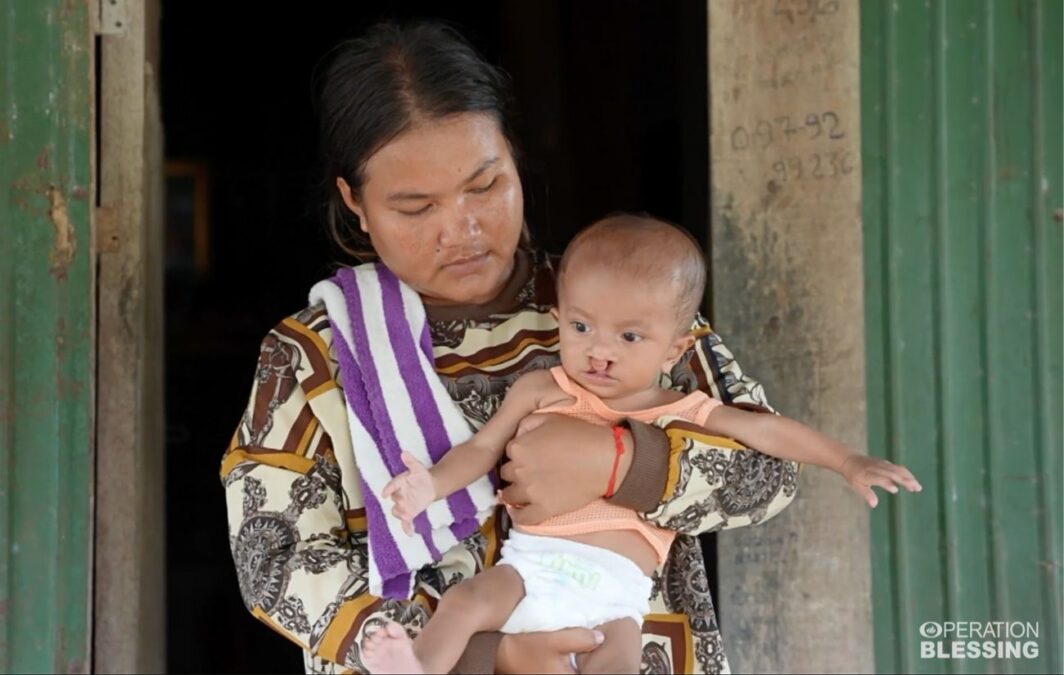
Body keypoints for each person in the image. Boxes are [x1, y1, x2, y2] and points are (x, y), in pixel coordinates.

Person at [223, 20, 804, 674]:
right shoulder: (316, 353)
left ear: (515, 158)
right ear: (354, 200)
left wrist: (620, 462)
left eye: (485, 185)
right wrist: (486, 653)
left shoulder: (617, 307)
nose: (462, 230)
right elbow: (275, 561)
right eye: (417, 208)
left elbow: (771, 474)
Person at [360, 215, 921, 675]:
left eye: (629, 337)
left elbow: (768, 433)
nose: (599, 351)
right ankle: (418, 668)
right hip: (529, 570)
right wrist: (429, 484)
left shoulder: (684, 412)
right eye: (581, 328)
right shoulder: (541, 389)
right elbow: (481, 452)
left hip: (617, 593)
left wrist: (847, 460)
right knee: (463, 604)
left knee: (621, 663)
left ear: (675, 349)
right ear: (558, 319)